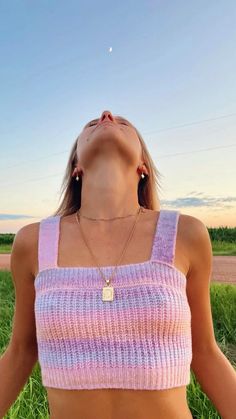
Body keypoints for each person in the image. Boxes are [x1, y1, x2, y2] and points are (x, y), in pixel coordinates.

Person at [1, 110, 235, 419]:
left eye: (124, 123)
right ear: (76, 167)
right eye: (90, 124)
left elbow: (205, 352)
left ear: (143, 165)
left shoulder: (185, 234)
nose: (106, 115)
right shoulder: (33, 242)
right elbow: (20, 351)